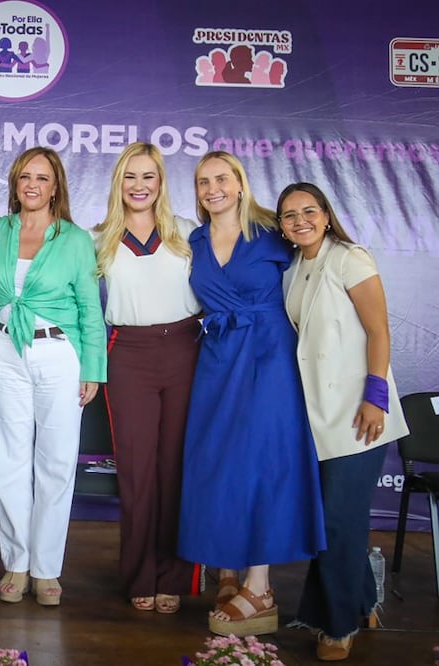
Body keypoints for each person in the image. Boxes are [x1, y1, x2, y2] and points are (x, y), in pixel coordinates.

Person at [177, 151, 325, 636]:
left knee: (261, 461)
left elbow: (319, 272)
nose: (212, 189)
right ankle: (227, 567)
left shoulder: (274, 234)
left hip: (268, 356)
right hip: (218, 358)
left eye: (222, 179)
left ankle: (259, 587)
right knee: (219, 462)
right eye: (204, 182)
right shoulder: (195, 240)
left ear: (240, 183)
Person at [277, 182, 409, 661]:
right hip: (317, 417)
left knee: (336, 522)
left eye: (309, 211)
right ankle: (365, 602)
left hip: (359, 415)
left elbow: (379, 330)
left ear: (327, 215)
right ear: (282, 227)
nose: (300, 221)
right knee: (337, 520)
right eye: (290, 215)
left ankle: (336, 626)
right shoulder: (293, 270)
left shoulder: (351, 259)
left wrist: (375, 398)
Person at [0, 146, 106, 606]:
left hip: (58, 353)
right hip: (7, 350)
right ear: (15, 185)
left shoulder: (74, 239)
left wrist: (93, 368)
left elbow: (90, 309)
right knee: (9, 459)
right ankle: (17, 563)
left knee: (56, 462)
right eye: (25, 177)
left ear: (56, 187)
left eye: (42, 178)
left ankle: (46, 569)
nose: (32, 185)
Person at [91, 142, 201, 615]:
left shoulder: (188, 232)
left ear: (161, 182)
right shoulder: (97, 238)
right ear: (119, 182)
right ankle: (139, 574)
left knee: (176, 467)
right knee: (136, 471)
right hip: (129, 354)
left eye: (148, 176)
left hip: (185, 349)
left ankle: (173, 575)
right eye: (130, 176)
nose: (139, 186)